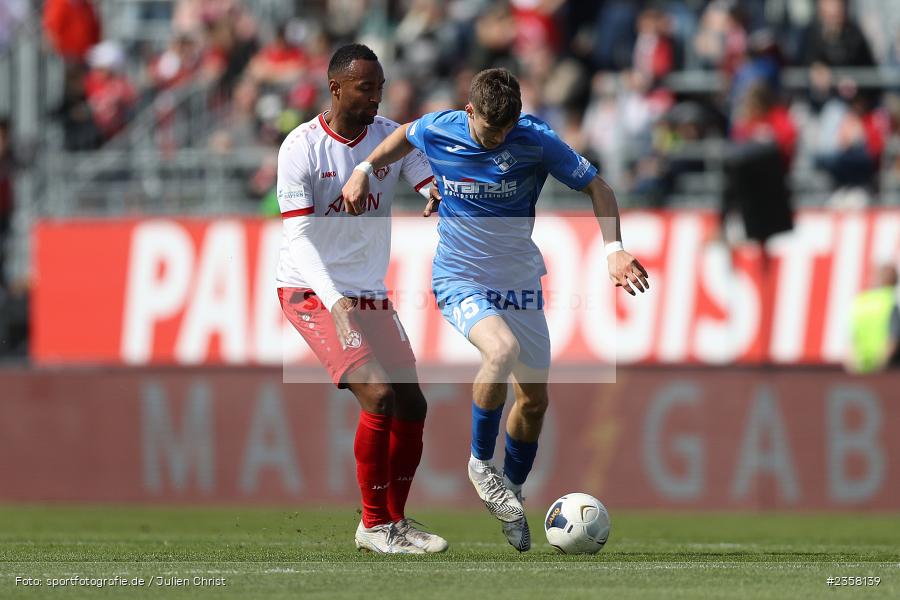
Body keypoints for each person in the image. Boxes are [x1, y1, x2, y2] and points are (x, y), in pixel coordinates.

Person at [342, 68, 648, 551]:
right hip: (458, 278)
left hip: (520, 283)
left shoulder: (536, 140)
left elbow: (599, 188)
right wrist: (362, 170)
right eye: (490, 130)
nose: (498, 138)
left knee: (533, 402)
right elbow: (403, 136)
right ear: (469, 114)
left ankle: (513, 492)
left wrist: (614, 249)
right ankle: (480, 464)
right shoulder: (440, 127)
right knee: (499, 351)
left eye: (507, 129)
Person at [276, 44, 445, 554]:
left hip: (368, 292)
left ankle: (394, 520)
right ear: (336, 88)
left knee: (412, 404)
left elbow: (415, 157)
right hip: (312, 290)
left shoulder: (384, 136)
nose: (375, 98)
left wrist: (430, 186)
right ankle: (372, 525)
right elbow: (298, 239)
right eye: (364, 88)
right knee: (378, 395)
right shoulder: (300, 147)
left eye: (379, 88)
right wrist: (333, 300)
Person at [847, 264, 900, 373]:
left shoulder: (861, 302)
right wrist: (879, 366)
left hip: (861, 367)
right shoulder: (891, 302)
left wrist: (854, 366)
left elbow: (852, 338)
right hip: (885, 368)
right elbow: (893, 339)